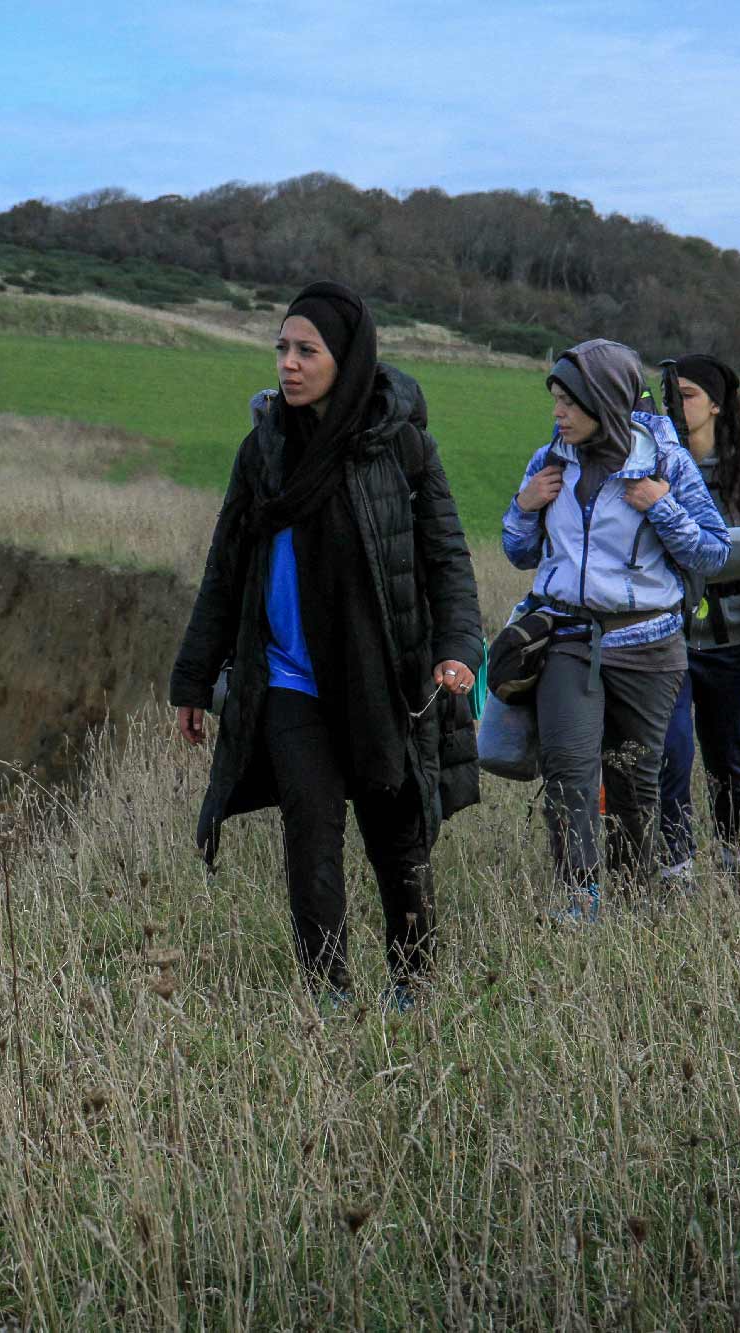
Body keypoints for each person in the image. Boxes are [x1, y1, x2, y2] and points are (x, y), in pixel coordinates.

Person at [170, 281, 482, 1010]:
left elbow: (447, 561)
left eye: (306, 350)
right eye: (282, 348)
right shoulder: (263, 451)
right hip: (290, 680)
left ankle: (412, 987)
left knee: (396, 838)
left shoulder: (401, 446)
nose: (288, 364)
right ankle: (330, 998)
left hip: (383, 679)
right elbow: (225, 567)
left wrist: (459, 646)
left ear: (346, 357)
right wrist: (192, 681)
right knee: (310, 837)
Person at [500, 340, 730, 920]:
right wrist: (525, 506)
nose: (558, 414)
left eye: (569, 403)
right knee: (569, 773)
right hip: (567, 641)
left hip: (650, 649)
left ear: (603, 400)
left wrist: (661, 506)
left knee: (633, 785)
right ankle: (579, 902)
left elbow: (712, 553)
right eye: (554, 401)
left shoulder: (665, 463)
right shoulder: (547, 461)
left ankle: (632, 897)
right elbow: (519, 553)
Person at [656, 354, 740, 880]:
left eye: (688, 395)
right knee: (671, 756)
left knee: (729, 763)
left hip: (734, 646)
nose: (677, 405)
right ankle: (676, 869)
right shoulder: (653, 466)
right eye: (672, 395)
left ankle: (736, 859)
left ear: (716, 405)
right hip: (665, 641)